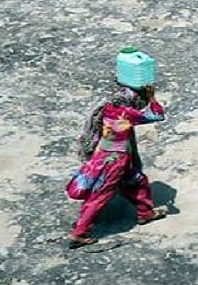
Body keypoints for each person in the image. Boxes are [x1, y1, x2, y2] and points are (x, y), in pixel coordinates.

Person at [68, 81, 168, 249]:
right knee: (100, 195)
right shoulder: (126, 113)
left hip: (103, 155)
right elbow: (157, 115)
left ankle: (145, 213)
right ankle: (79, 233)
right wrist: (151, 97)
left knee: (137, 181)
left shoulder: (107, 108)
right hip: (116, 160)